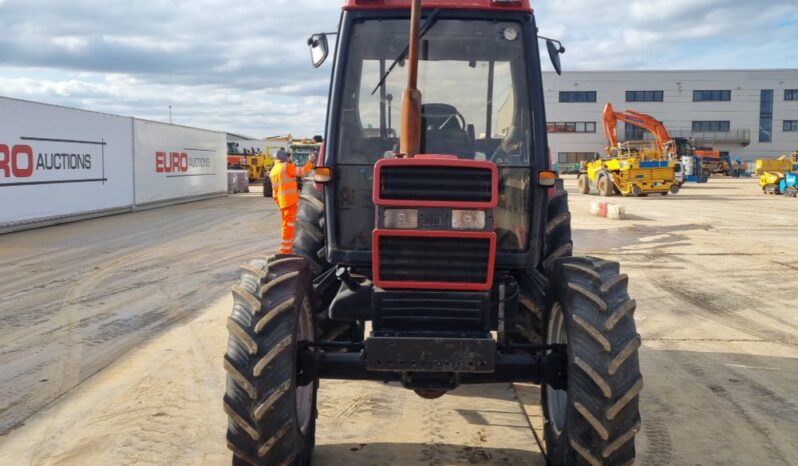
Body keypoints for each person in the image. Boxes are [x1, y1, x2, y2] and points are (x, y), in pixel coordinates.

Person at [270, 149, 315, 254]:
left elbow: (274, 192)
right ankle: (285, 251)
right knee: (289, 227)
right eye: (288, 156)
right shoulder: (286, 166)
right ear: (284, 158)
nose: (289, 158)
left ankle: (285, 249)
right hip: (290, 201)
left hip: (283, 202)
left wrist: (280, 203)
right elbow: (302, 171)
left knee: (286, 225)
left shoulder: (273, 171)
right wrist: (311, 162)